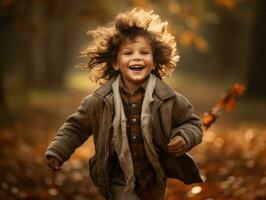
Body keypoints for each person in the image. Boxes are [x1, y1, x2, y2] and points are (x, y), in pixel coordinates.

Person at [45, 7, 203, 200]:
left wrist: (184, 137)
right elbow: (75, 127)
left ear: (154, 62)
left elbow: (192, 123)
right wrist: (58, 151)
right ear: (115, 63)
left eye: (144, 52)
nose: (137, 57)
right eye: (128, 53)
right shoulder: (100, 100)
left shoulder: (167, 98)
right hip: (117, 176)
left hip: (154, 175)